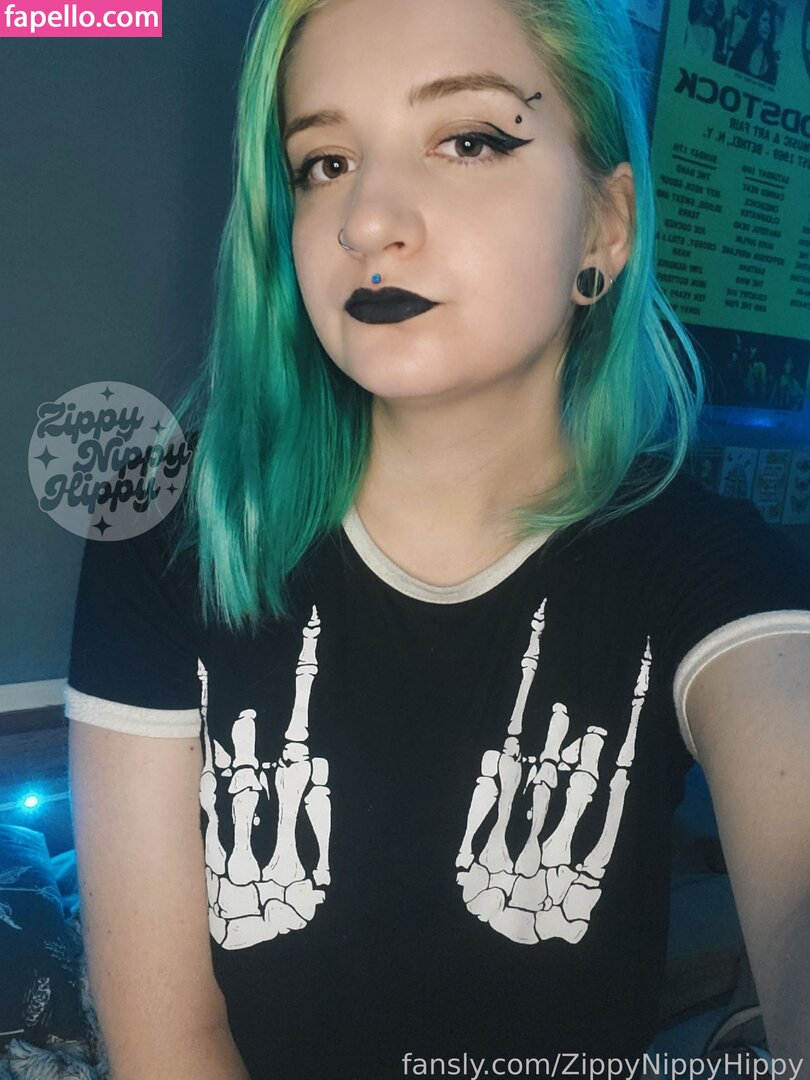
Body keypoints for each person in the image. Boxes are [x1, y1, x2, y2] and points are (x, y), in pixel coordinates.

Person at [64, 0, 810, 1076]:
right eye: (324, 163)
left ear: (605, 226)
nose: (367, 221)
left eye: (468, 140)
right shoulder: (170, 522)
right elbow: (167, 1041)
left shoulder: (711, 570)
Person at [728, 0, 779, 82]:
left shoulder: (771, 62)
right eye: (764, 20)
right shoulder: (741, 50)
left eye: (770, 23)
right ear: (755, 22)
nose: (767, 26)